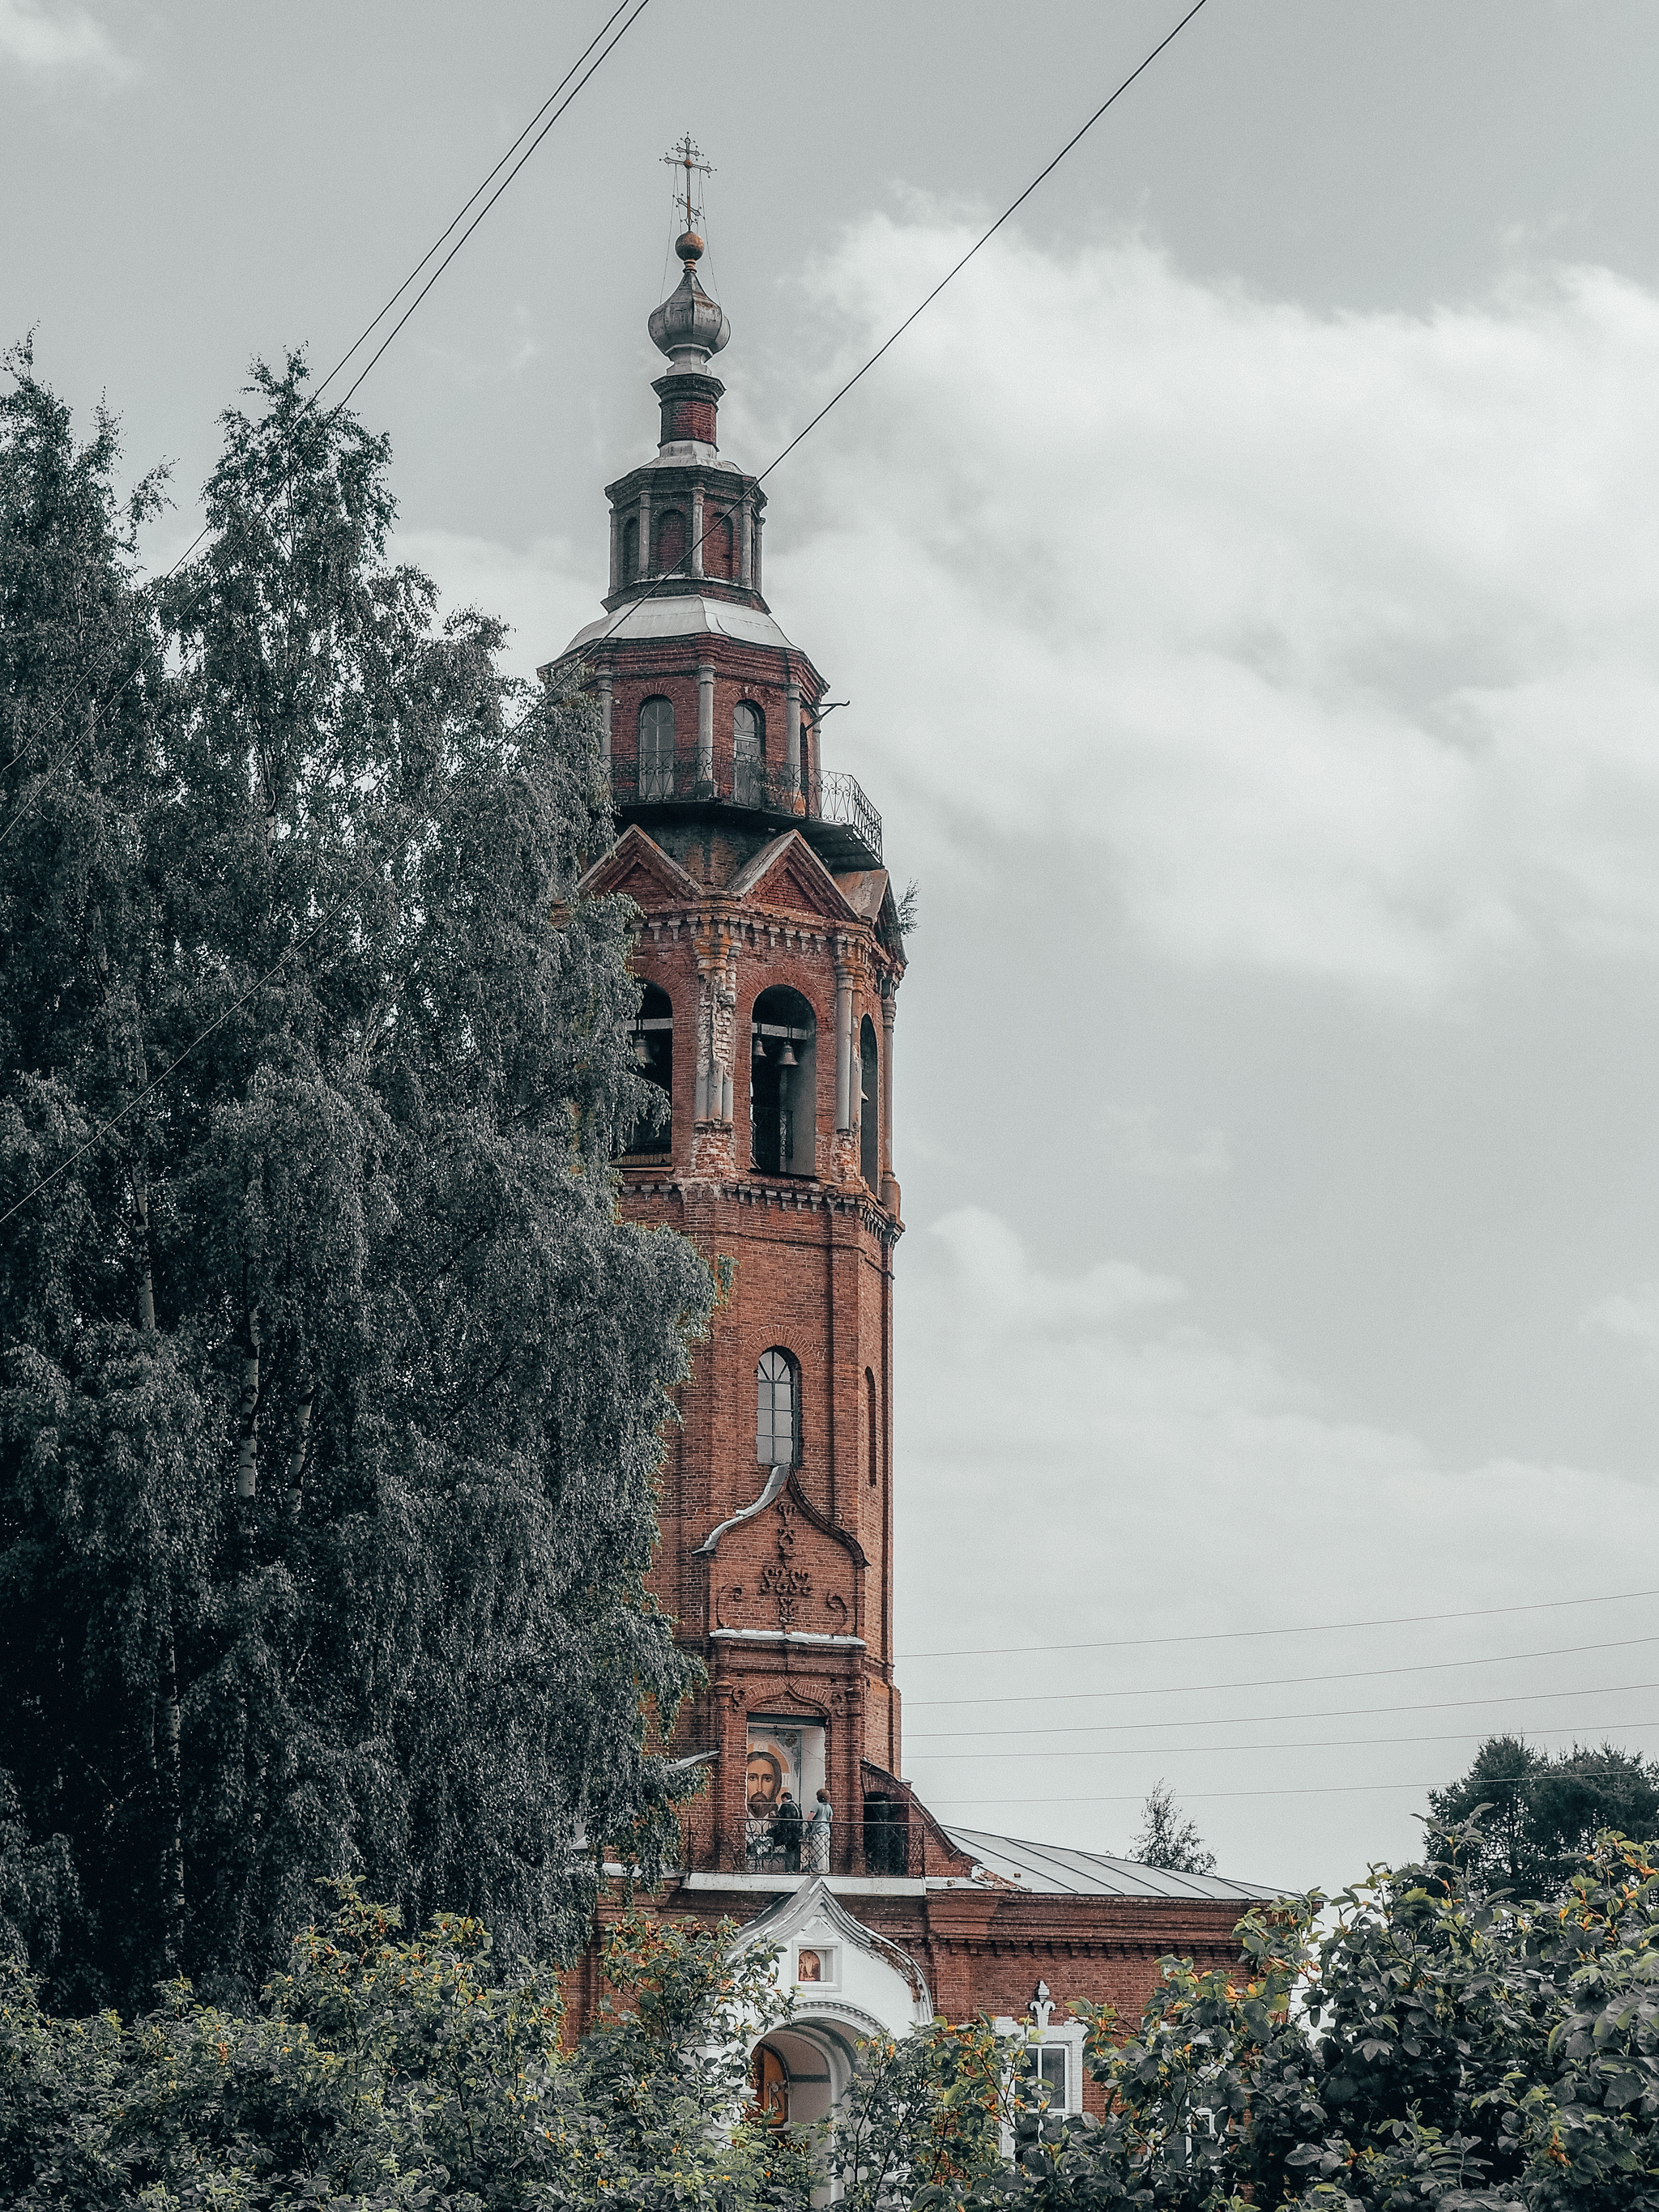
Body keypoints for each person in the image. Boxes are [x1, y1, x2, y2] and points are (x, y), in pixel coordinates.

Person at [773, 1789, 804, 1872]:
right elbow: (801, 1819)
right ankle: (795, 1868)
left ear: (784, 1798)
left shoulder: (785, 1806)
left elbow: (781, 1818)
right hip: (797, 1832)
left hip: (788, 1832)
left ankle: (789, 1869)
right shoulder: (797, 1806)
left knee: (789, 1850)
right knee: (795, 1851)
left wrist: (775, 1815)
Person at [805, 1788, 833, 1873]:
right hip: (827, 1831)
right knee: (826, 1851)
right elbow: (831, 1819)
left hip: (818, 1831)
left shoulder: (817, 1806)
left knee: (819, 1851)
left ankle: (821, 1869)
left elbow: (809, 1818)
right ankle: (827, 1869)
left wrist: (810, 1826)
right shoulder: (829, 1807)